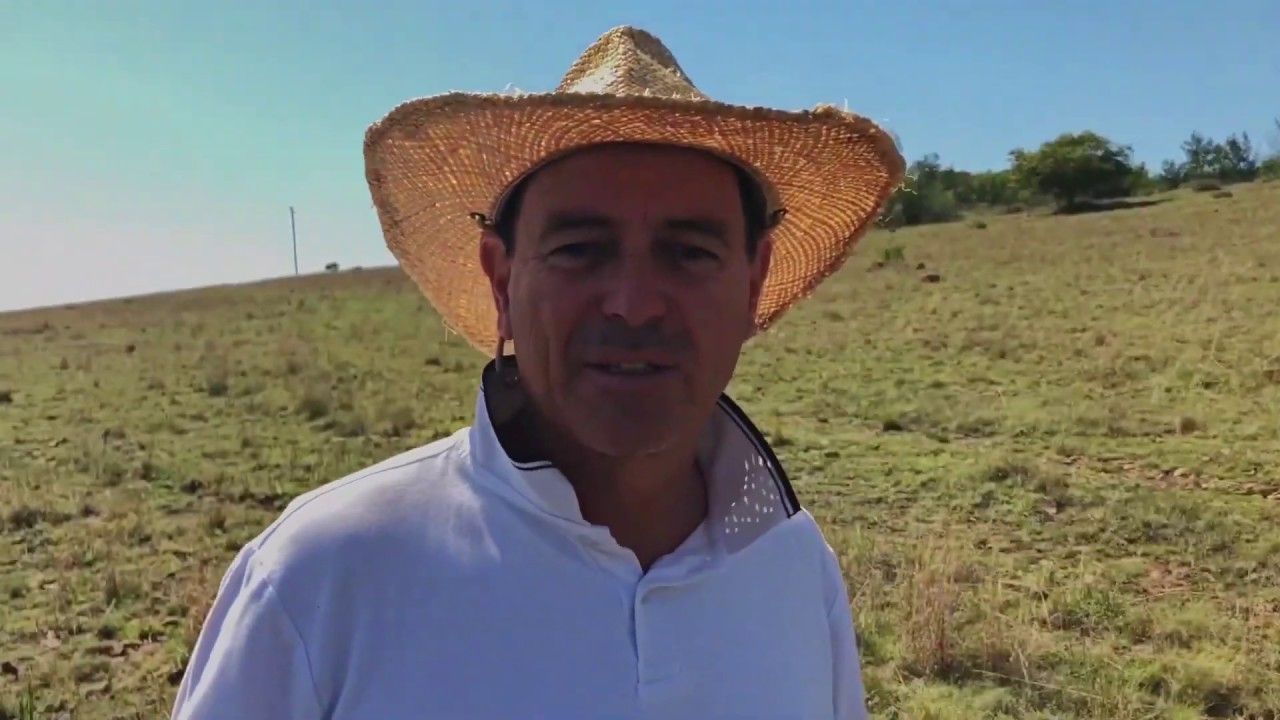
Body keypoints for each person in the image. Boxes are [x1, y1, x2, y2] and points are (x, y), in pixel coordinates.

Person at [171, 25, 903, 720]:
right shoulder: (319, 578)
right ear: (502, 281)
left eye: (689, 253)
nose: (634, 303)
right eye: (580, 250)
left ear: (753, 282)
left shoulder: (794, 570)